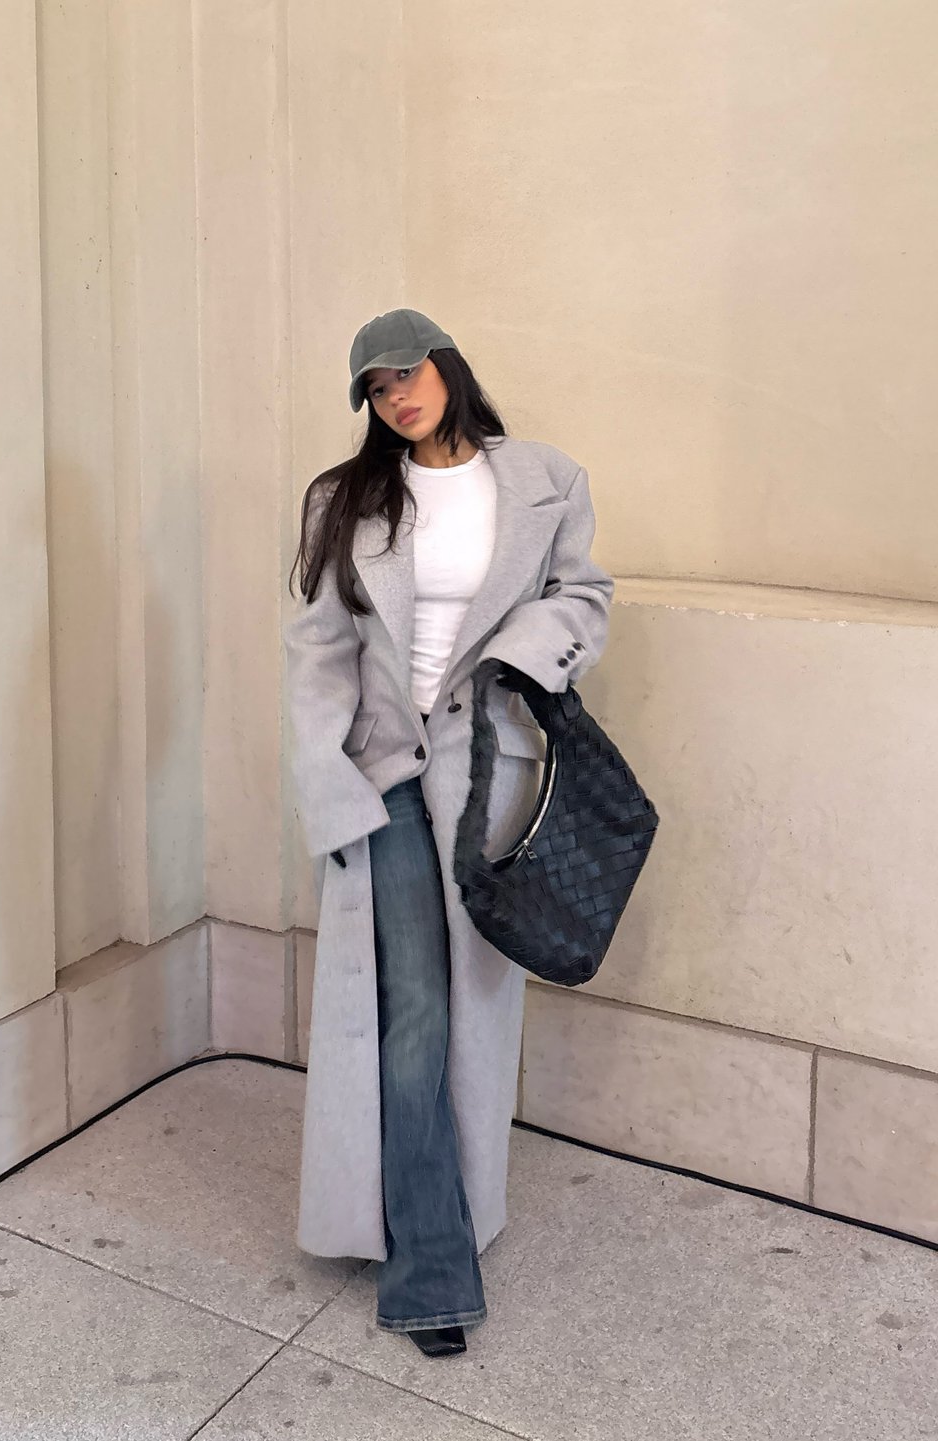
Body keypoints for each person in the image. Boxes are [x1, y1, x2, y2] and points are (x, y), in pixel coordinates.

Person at [285, 308, 613, 1358]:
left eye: (406, 373)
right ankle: (430, 1263)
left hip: (485, 777)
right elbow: (318, 651)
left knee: (472, 1007)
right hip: (382, 771)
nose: (396, 396)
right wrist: (325, 779)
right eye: (377, 388)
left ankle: (449, 1209)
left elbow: (584, 599)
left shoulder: (545, 479)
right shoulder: (344, 498)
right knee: (413, 1008)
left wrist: (521, 649)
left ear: (446, 366)